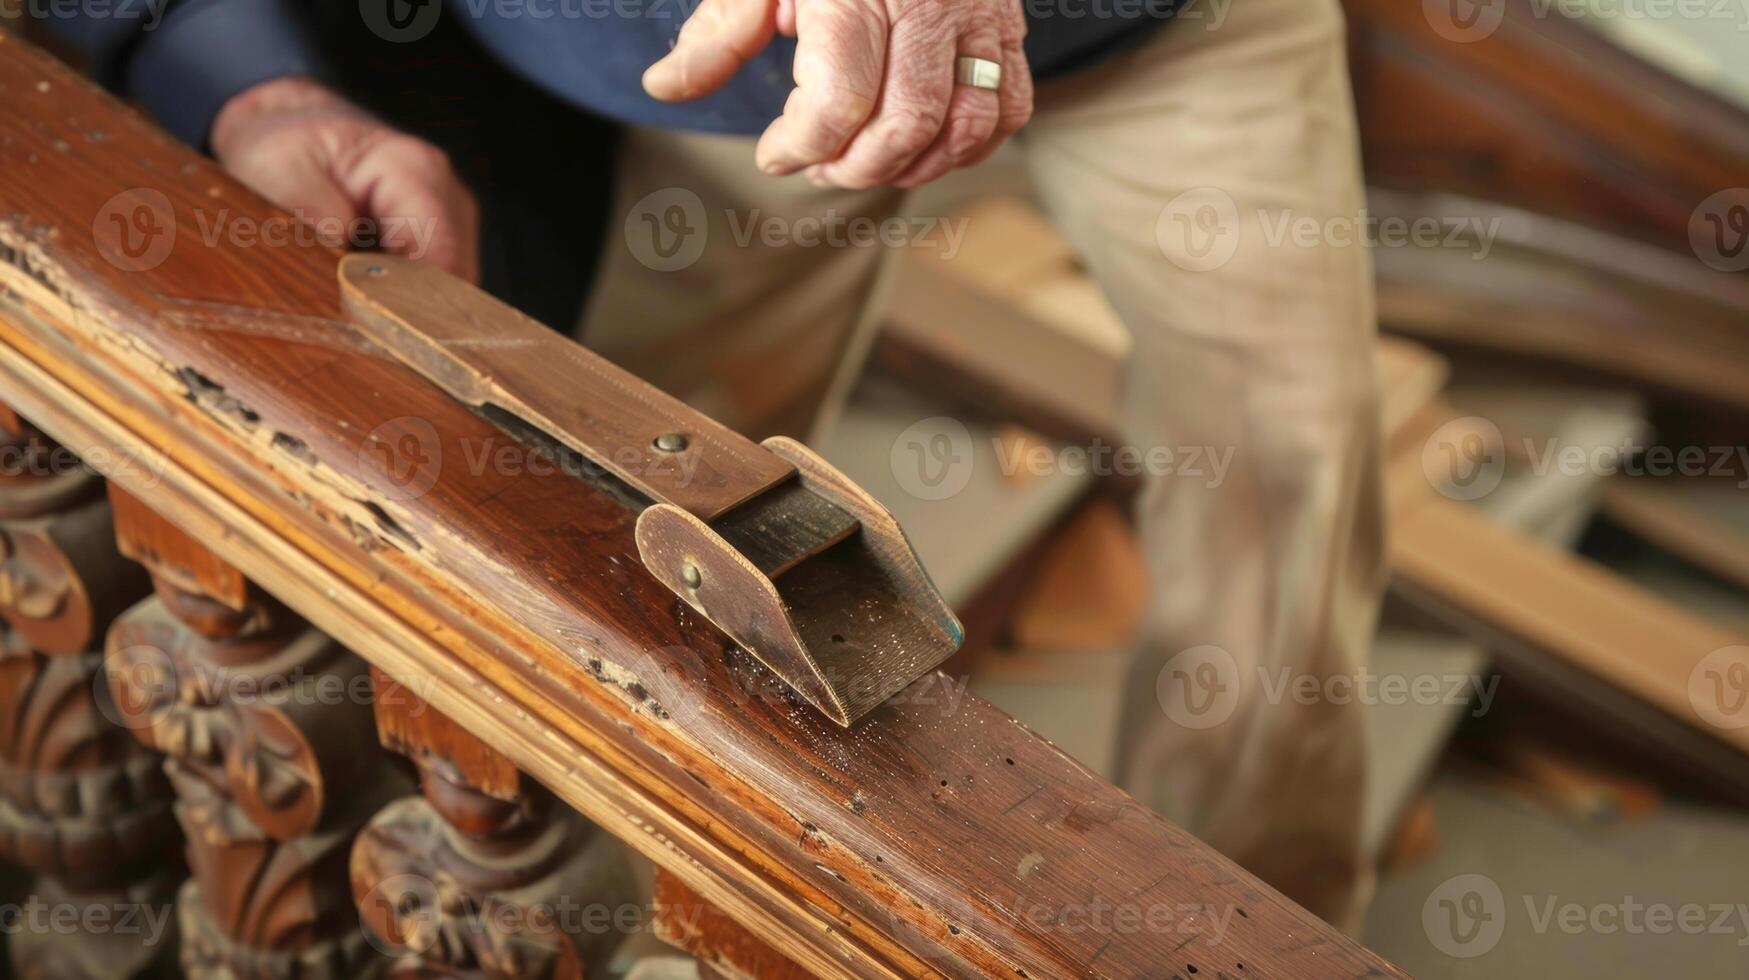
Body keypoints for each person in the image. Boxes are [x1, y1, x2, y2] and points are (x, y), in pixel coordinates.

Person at [47, 0, 1385, 931]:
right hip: (706, 83)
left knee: (1287, 474)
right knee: (636, 540)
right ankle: (627, 909)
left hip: (1169, 30)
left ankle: (1245, 934)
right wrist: (238, 70)